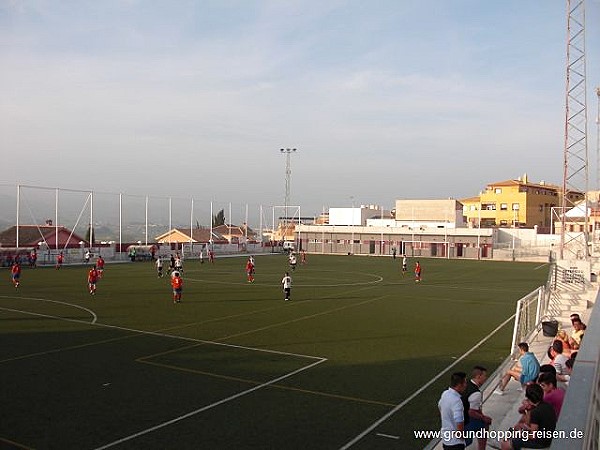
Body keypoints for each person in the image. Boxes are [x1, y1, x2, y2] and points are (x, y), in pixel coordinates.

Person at [500, 384, 556, 450]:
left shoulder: (535, 412)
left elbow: (533, 436)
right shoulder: (548, 406)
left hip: (541, 442)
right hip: (547, 436)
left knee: (506, 444)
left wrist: (521, 434)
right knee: (514, 429)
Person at [461, 366, 493, 450]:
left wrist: (482, 416)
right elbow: (471, 412)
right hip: (464, 419)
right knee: (485, 425)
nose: (486, 378)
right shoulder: (476, 393)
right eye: (484, 376)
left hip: (457, 415)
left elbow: (475, 409)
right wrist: (484, 418)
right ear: (478, 376)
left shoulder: (465, 383)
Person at [438, 371, 468, 450]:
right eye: (465, 383)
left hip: (446, 439)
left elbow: (440, 406)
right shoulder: (457, 401)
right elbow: (459, 421)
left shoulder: (445, 393)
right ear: (459, 385)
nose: (466, 385)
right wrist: (461, 436)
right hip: (455, 443)